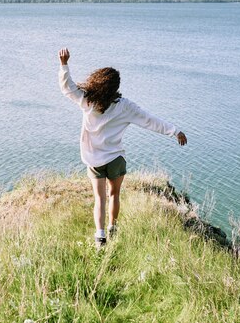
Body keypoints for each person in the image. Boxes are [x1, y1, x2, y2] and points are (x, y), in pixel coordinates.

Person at [58, 48, 187, 247]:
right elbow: (149, 120)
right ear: (115, 87)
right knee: (114, 194)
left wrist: (64, 64)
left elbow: (67, 88)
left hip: (94, 160)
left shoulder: (88, 101)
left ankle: (100, 237)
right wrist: (174, 131)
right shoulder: (125, 106)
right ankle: (112, 227)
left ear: (97, 81)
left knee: (99, 199)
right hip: (116, 159)